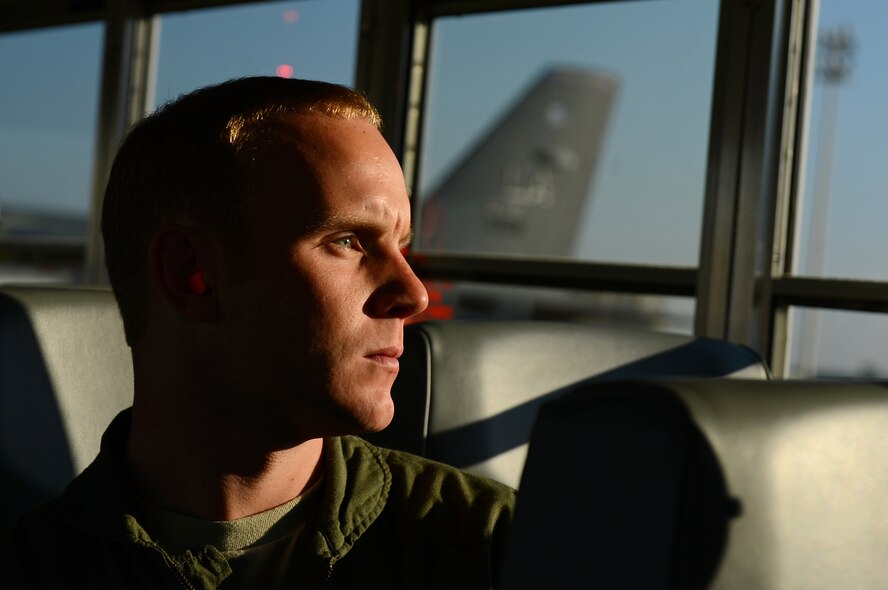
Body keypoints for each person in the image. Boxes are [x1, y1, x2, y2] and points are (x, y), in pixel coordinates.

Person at [12, 77, 515, 589]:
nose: (414, 295)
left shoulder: (500, 546)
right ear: (193, 274)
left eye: (400, 246)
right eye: (348, 241)